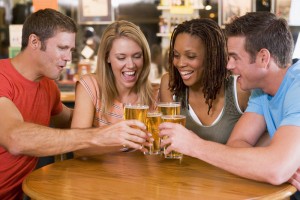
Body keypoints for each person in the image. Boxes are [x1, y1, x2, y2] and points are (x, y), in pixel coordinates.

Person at [0, 9, 147, 199]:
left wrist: (118, 123)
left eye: (71, 50)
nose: (68, 58)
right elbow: (15, 138)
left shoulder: (47, 86)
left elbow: (70, 119)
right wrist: (99, 136)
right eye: (62, 48)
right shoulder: (3, 78)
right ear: (35, 42)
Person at [159, 12, 300, 191]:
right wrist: (273, 162)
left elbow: (275, 170)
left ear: (263, 58)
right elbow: (236, 144)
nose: (228, 65)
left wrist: (194, 145)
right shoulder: (260, 90)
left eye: (235, 57)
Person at [71, 20, 158, 157]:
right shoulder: (90, 86)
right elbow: (77, 146)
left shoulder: (155, 96)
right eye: (121, 57)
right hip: (96, 176)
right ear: (107, 57)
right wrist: (123, 143)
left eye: (137, 56)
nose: (130, 65)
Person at [159, 18, 250, 144]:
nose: (180, 63)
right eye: (176, 55)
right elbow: (166, 141)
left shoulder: (240, 90)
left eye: (191, 56)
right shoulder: (170, 84)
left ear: (212, 57)